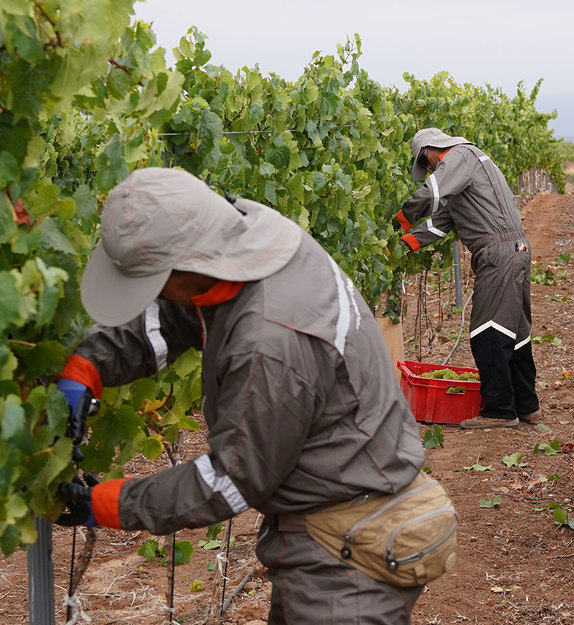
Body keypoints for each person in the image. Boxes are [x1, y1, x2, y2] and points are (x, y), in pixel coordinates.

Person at [52, 168, 456, 624]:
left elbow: (232, 478)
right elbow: (174, 318)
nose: (155, 294)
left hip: (350, 550)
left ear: (190, 266)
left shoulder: (270, 340)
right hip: (339, 515)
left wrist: (107, 503)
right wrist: (86, 367)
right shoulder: (254, 243)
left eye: (155, 282)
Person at [394, 128, 540, 430]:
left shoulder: (461, 154)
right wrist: (402, 244)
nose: (430, 169)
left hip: (498, 253)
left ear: (433, 148)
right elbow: (440, 224)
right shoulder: (466, 174)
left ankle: (500, 411)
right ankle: (527, 405)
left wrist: (398, 220)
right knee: (515, 329)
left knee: (488, 330)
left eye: (426, 162)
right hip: (515, 249)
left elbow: (432, 193)